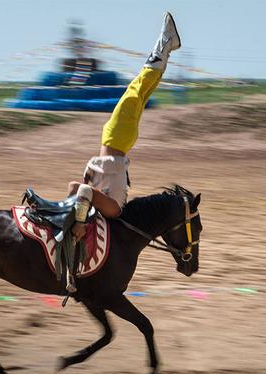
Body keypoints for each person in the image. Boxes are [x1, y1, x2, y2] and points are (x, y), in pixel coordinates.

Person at [69, 11, 181, 241]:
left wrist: (76, 208)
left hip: (116, 141)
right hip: (117, 141)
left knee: (141, 92)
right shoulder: (116, 209)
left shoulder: (107, 201)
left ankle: (167, 47)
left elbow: (81, 190)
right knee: (137, 90)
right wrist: (78, 222)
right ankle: (165, 44)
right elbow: (80, 190)